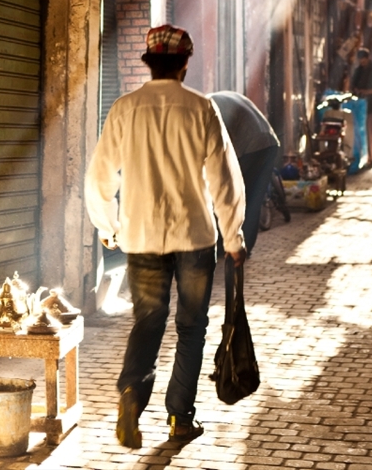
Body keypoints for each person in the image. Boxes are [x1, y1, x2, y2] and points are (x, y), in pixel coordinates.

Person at [84, 25, 247, 448]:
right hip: (194, 236)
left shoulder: (125, 108)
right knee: (191, 328)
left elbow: (99, 176)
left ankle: (131, 397)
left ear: (149, 63)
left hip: (140, 238)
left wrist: (108, 226)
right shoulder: (201, 108)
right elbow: (224, 179)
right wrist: (233, 235)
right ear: (185, 63)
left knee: (147, 322)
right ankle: (179, 418)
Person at [208, 91, 280, 255]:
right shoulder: (212, 100)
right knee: (253, 198)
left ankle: (230, 247)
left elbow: (218, 148)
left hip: (251, 145)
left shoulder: (206, 111)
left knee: (232, 194)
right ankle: (242, 247)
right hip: (269, 142)